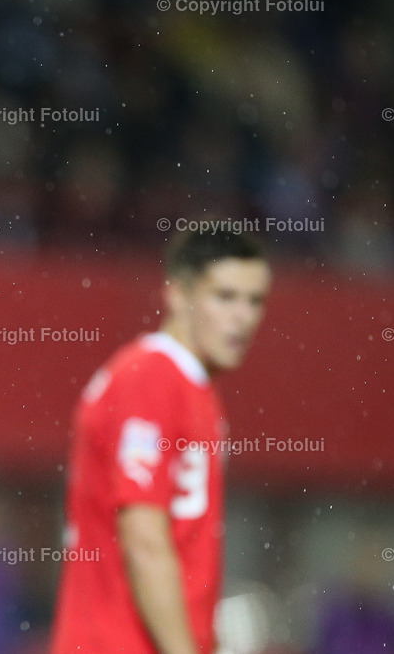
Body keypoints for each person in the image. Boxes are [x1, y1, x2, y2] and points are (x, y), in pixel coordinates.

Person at [51, 230, 271, 653]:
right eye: (225, 297)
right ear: (176, 294)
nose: (242, 316)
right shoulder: (150, 378)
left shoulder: (192, 388)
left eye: (255, 300)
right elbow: (144, 539)